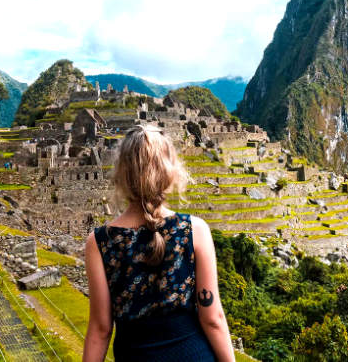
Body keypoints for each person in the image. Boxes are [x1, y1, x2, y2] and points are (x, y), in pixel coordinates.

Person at [83, 125, 235, 362]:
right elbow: (212, 317)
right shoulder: (194, 231)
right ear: (169, 171)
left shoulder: (100, 242)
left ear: (122, 174)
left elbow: (101, 330)